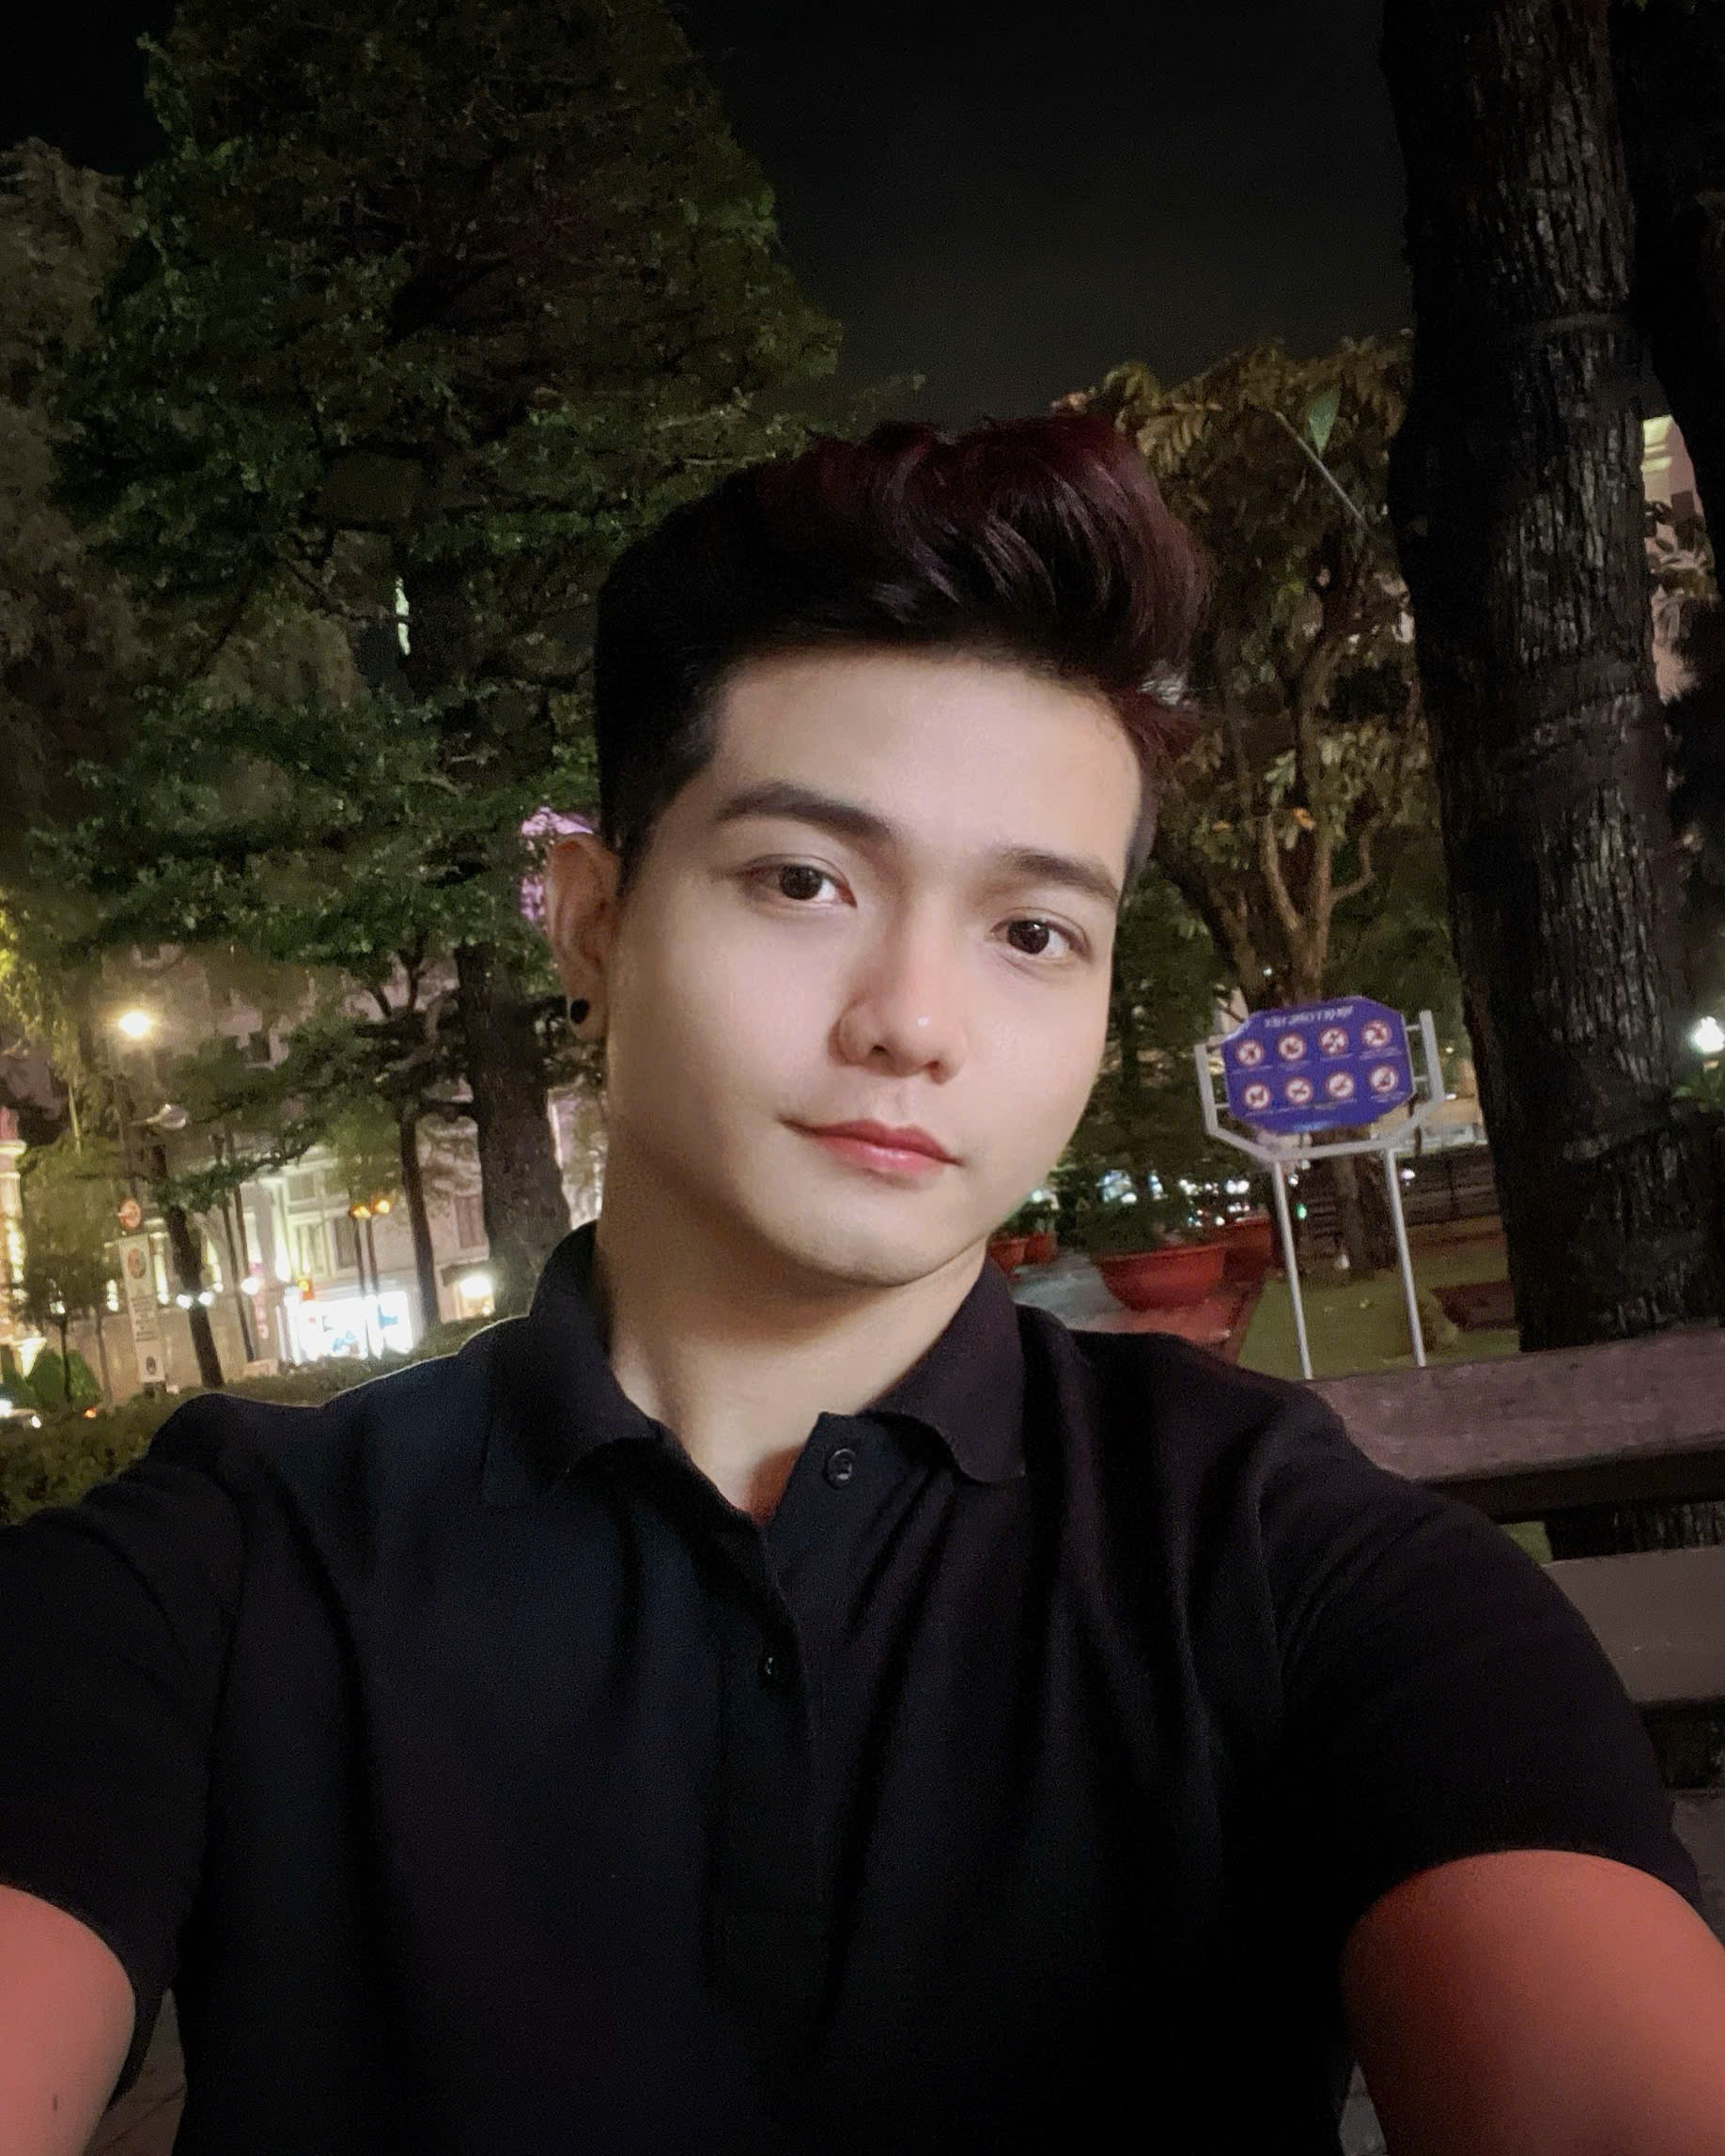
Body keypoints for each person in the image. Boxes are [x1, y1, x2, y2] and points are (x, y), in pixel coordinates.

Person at [3, 414, 1724, 2156]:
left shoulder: (1284, 1562)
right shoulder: (229, 1571)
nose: (913, 1021)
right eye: (803, 880)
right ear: (593, 921)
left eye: (1033, 931)